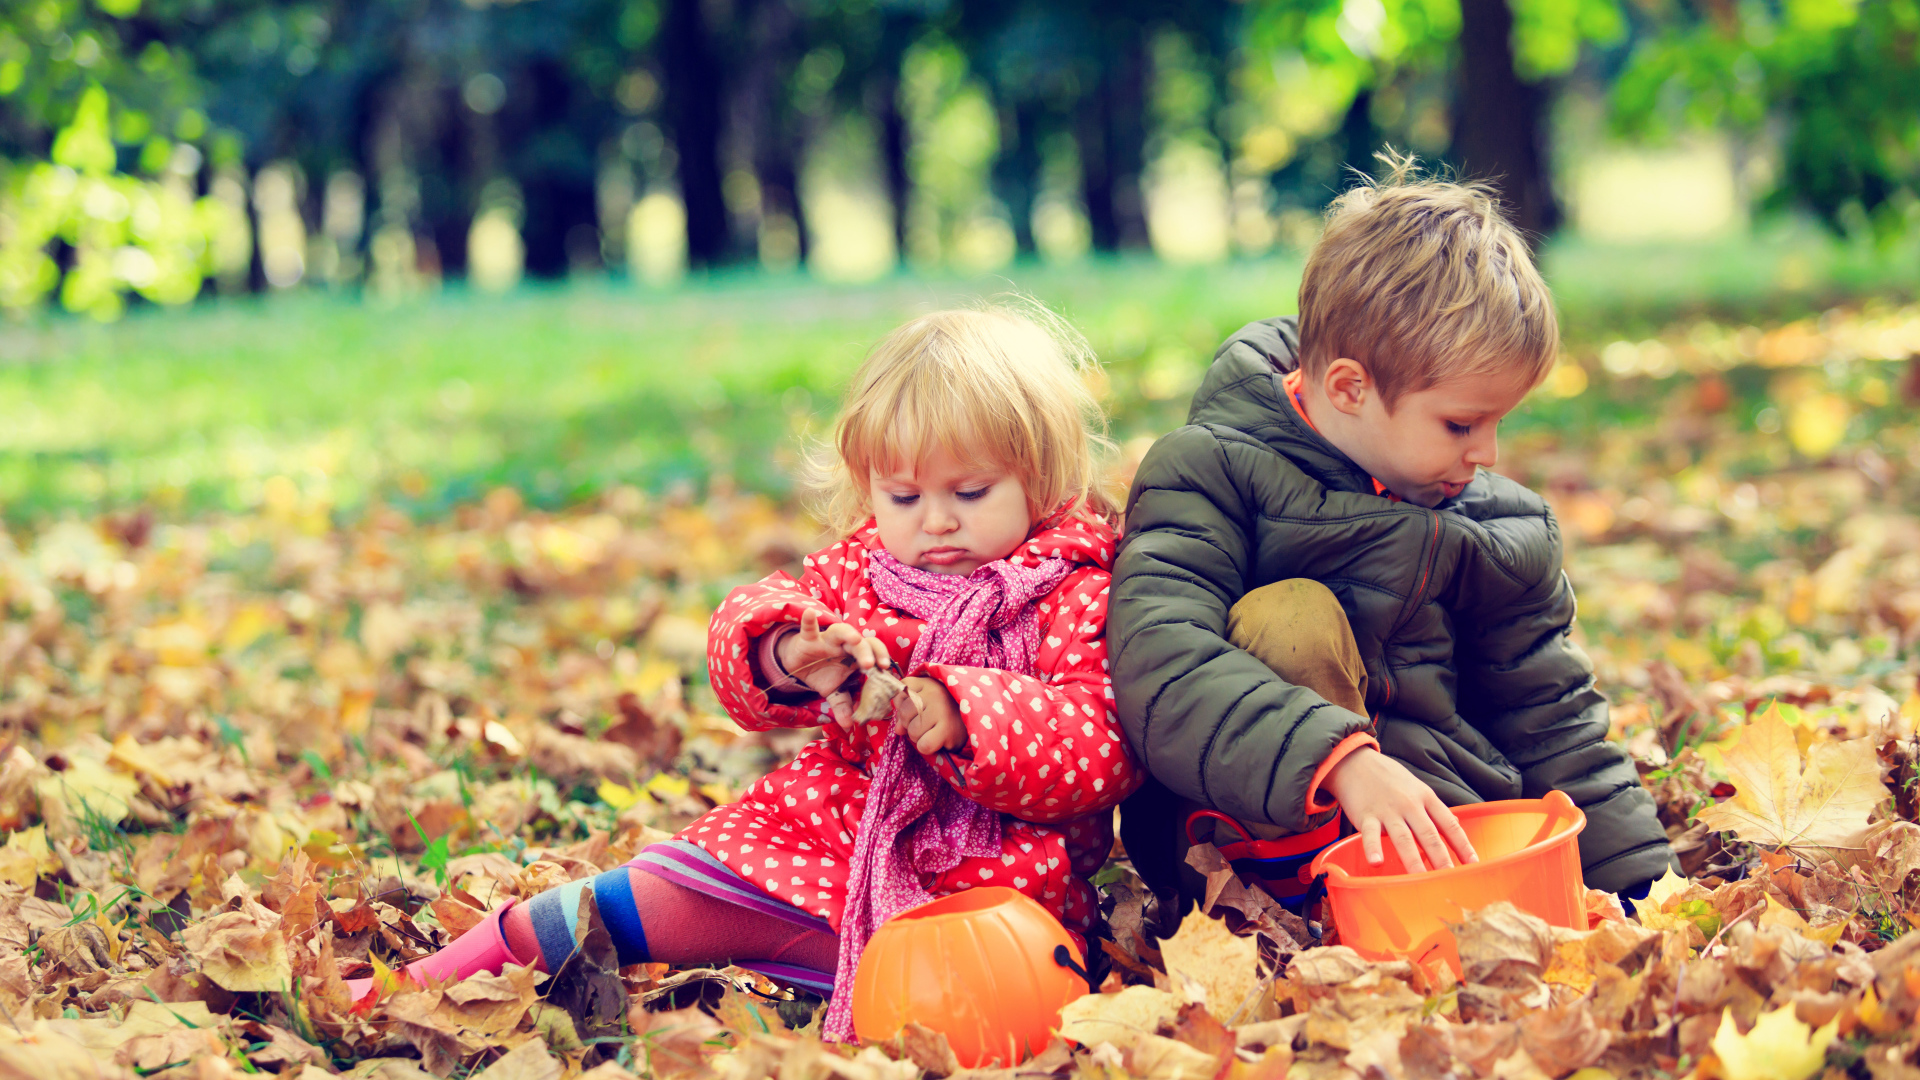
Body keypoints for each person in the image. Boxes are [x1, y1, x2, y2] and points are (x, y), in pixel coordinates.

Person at [351, 305, 1139, 1040]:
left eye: (970, 492)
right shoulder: (856, 575)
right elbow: (743, 632)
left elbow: (1101, 742)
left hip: (990, 894)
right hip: (819, 846)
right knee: (624, 900)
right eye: (902, 495)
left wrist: (969, 713)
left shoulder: (1073, 595)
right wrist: (790, 654)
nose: (935, 520)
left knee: (974, 1001)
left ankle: (856, 976)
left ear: (1040, 477)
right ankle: (414, 986)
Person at [1110, 153, 1675, 916]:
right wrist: (1335, 759)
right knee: (1291, 617)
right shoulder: (1208, 473)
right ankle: (1309, 906)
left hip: (1437, 830)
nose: (1488, 454)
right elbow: (1162, 662)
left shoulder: (1496, 523)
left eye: (1499, 422)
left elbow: (1549, 714)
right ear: (1349, 387)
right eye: (1461, 424)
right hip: (1250, 841)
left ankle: (1434, 901)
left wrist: (1645, 885)